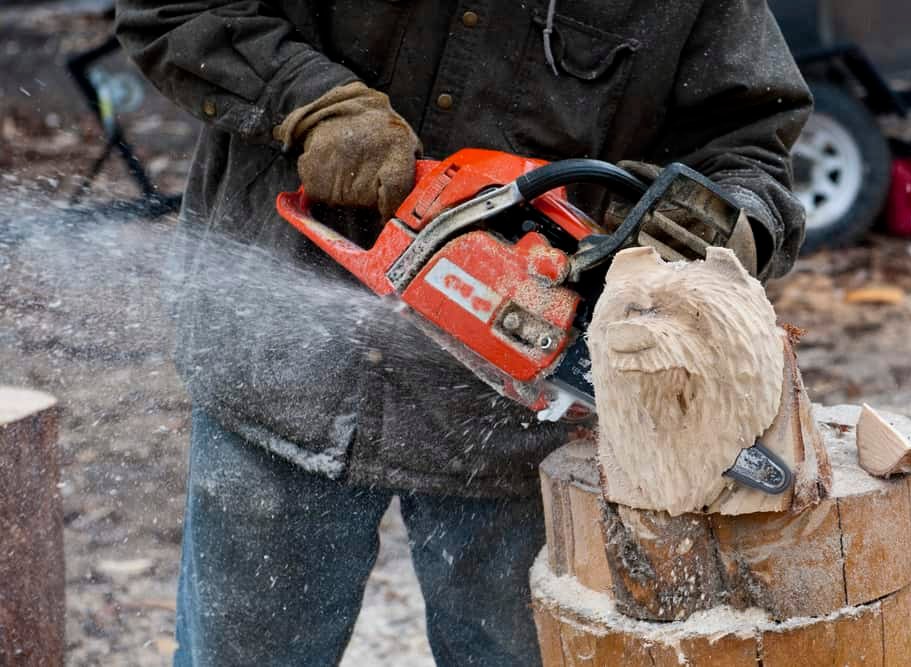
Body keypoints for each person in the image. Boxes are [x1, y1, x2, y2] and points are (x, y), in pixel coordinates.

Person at [115, 1, 812, 665]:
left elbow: (749, 144)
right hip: (280, 380)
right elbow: (172, 10)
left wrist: (726, 222)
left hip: (520, 429)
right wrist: (309, 99)